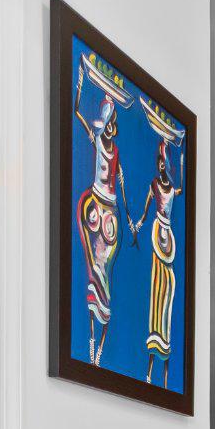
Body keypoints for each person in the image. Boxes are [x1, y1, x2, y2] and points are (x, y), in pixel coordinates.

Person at [73, 62, 137, 367]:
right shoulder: (97, 139)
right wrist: (80, 82)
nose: (112, 126)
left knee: (105, 276)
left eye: (113, 122)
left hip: (109, 210)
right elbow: (76, 113)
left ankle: (98, 352)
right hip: (97, 204)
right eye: (110, 121)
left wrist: (132, 222)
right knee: (92, 271)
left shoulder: (117, 152)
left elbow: (122, 187)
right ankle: (90, 347)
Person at [130, 140, 183, 385]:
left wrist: (183, 165)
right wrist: (139, 225)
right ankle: (152, 365)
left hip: (169, 238)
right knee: (157, 288)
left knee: (169, 288)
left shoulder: (171, 188)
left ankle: (164, 361)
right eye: (159, 161)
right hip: (157, 234)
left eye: (164, 161)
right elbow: (146, 208)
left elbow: (180, 189)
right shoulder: (154, 185)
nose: (161, 165)